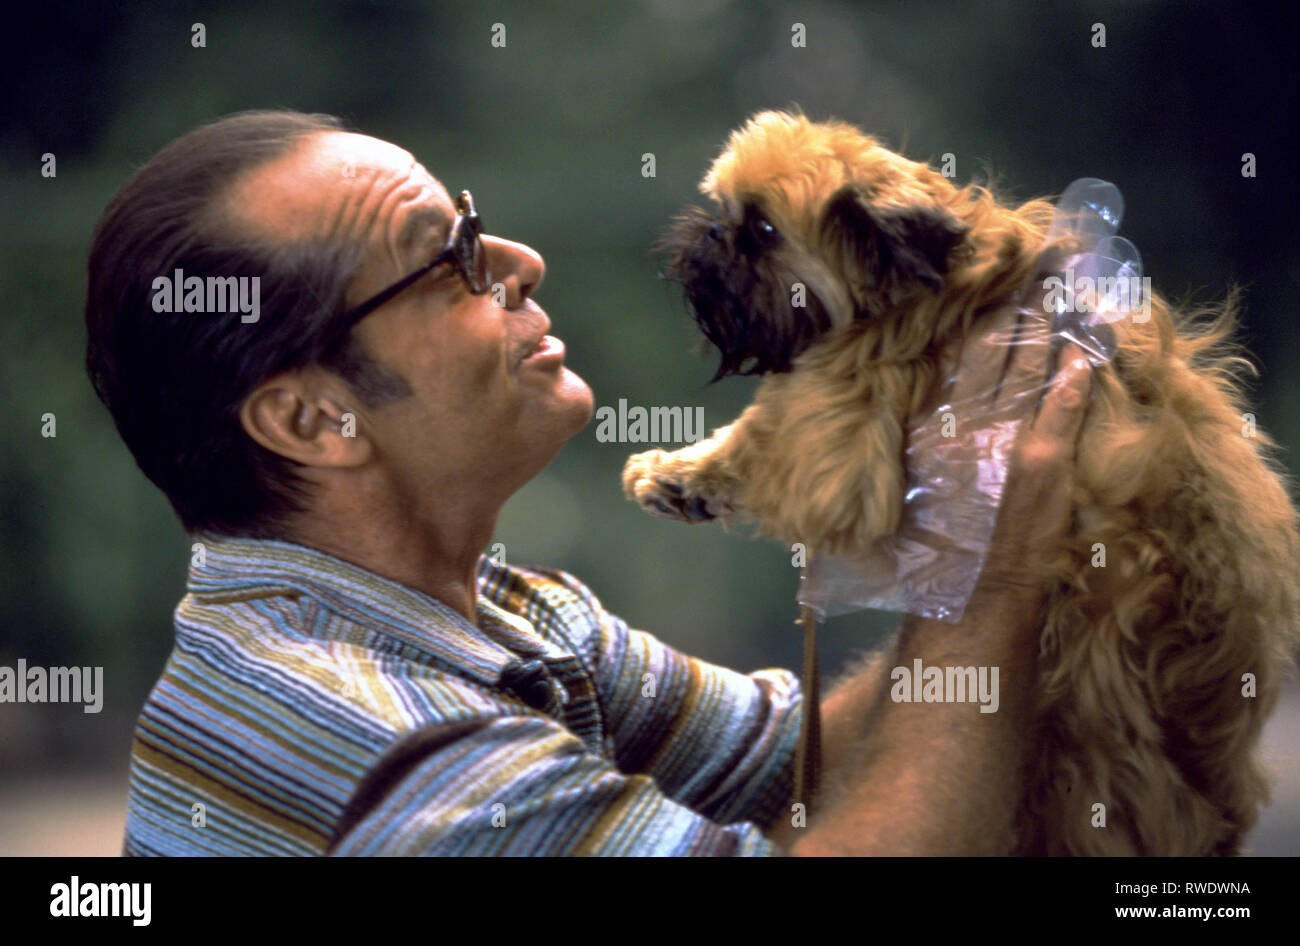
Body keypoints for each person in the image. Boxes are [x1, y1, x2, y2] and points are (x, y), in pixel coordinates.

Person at [85, 110, 1091, 856]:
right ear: (311, 421)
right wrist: (987, 577)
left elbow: (796, 762)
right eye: (446, 261)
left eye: (475, 224)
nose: (522, 260)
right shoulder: (395, 753)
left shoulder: (512, 617)